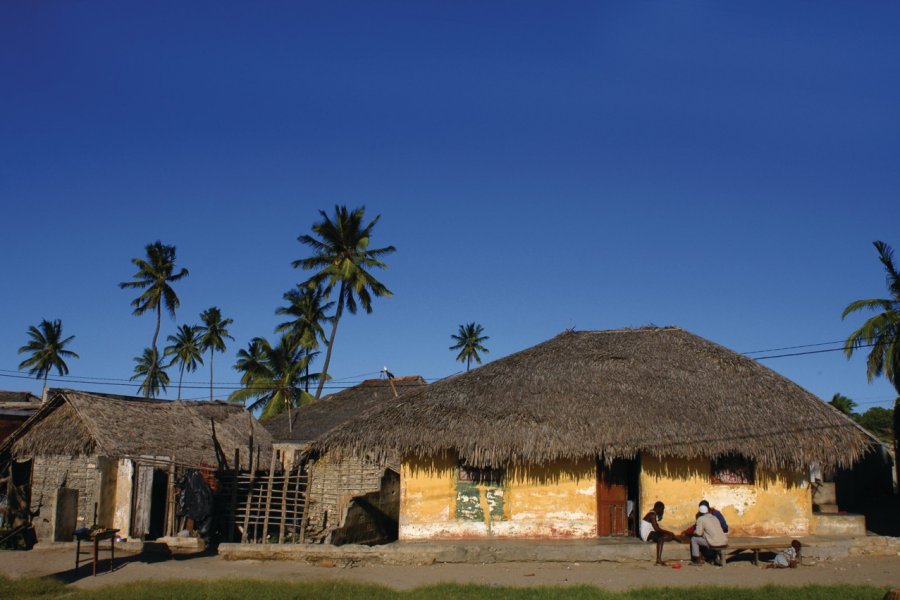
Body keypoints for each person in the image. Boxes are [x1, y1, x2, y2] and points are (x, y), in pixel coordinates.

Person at [640, 501, 676, 566]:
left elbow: (657, 527)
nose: (662, 510)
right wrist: (668, 532)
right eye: (662, 509)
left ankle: (670, 537)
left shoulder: (654, 514)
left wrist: (668, 534)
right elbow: (657, 529)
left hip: (650, 532)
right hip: (647, 534)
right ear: (658, 508)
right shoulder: (652, 515)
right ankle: (658, 559)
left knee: (668, 536)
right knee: (662, 538)